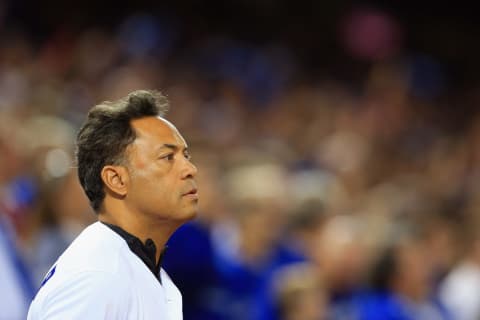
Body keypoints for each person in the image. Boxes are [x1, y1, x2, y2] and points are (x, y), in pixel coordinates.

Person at [27, 90, 199, 319]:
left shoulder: (132, 266)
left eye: (185, 156)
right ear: (116, 180)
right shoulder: (97, 275)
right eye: (168, 157)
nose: (190, 169)